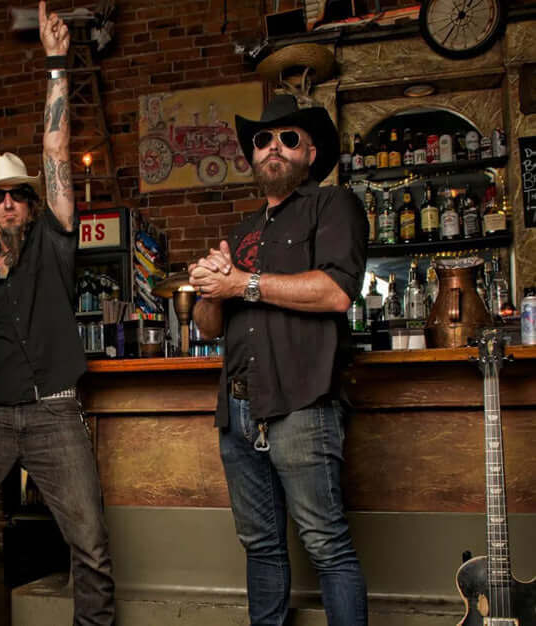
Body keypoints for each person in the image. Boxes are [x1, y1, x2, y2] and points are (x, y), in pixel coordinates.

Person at [0, 3, 115, 624]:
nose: (8, 205)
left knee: (90, 546)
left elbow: (56, 146)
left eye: (18, 196)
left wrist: (57, 63)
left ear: (33, 208)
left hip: (55, 412)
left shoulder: (55, 249)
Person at [188, 94, 369, 625]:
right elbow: (207, 326)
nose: (274, 147)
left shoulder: (333, 206)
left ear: (310, 153)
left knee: (326, 543)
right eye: (263, 139)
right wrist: (210, 289)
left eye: (288, 138)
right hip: (238, 410)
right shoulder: (243, 231)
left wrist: (239, 282)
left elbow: (336, 292)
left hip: (303, 403)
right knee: (261, 546)